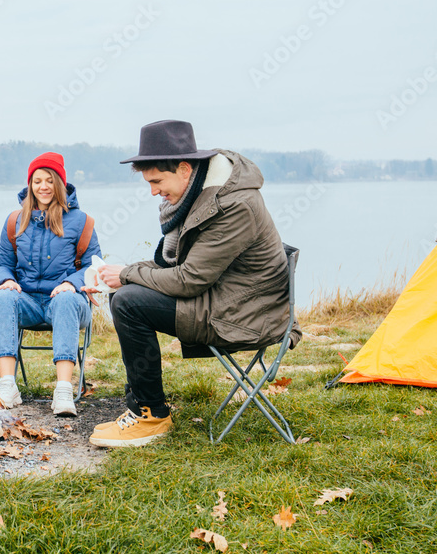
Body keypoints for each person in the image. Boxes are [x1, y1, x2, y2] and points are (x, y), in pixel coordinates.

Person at [85, 119, 300, 447]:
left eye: (157, 181)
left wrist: (127, 274)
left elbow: (188, 279)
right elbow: (169, 266)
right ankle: (142, 408)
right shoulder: (201, 195)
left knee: (128, 302)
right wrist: (119, 274)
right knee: (123, 295)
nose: (154, 191)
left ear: (185, 169)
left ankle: (150, 416)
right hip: (225, 298)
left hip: (246, 314)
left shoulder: (234, 206)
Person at [0, 152, 101, 416]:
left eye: (49, 180)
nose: (43, 187)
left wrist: (71, 283)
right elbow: (3, 263)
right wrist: (6, 280)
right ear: (30, 185)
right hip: (27, 300)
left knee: (64, 299)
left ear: (60, 184)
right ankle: (7, 386)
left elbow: (93, 266)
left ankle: (63, 390)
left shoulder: (82, 221)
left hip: (67, 303)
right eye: (37, 181)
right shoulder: (15, 220)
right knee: (2, 297)